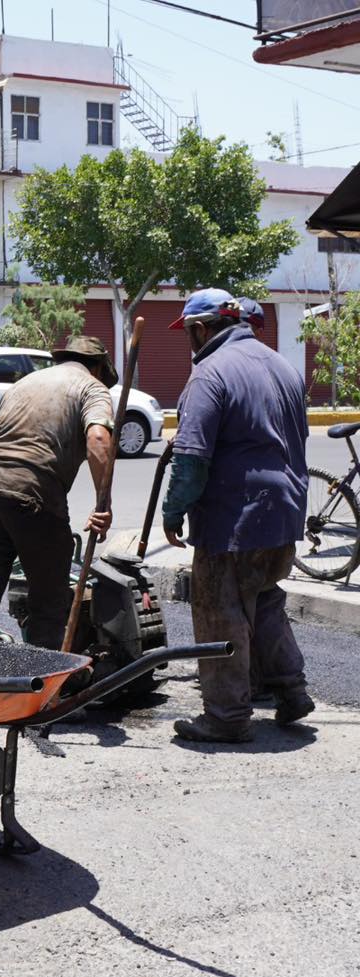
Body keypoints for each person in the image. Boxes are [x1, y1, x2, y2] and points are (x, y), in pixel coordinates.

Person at [162, 288, 311, 742]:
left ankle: (226, 716)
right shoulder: (281, 366)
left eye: (189, 332)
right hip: (283, 514)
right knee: (263, 600)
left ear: (201, 328)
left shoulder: (210, 373)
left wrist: (174, 510)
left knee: (219, 610)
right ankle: (291, 689)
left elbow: (190, 458)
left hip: (235, 521)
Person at [0, 336, 116, 648]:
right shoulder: (92, 388)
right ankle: (42, 683)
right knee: (49, 598)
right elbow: (98, 439)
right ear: (96, 367)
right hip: (35, 493)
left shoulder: (22, 385)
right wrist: (103, 504)